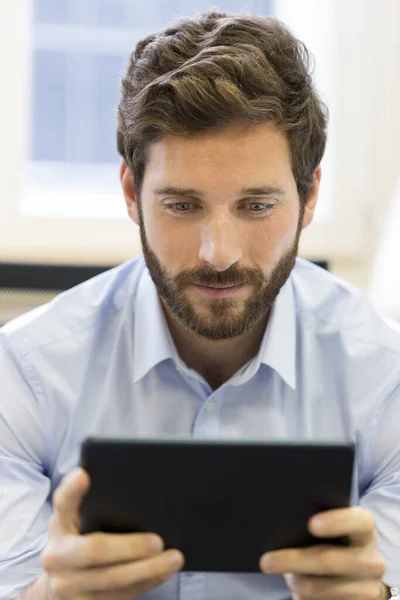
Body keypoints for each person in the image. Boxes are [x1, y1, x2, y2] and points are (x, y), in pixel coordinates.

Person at [0, 9, 399, 600]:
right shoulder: (24, 373)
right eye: (183, 205)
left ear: (309, 197)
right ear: (133, 195)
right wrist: (50, 596)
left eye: (257, 205)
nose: (219, 253)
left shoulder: (386, 379)